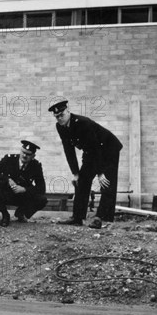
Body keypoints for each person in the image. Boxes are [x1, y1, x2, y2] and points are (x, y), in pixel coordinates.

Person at [49, 98, 123, 229]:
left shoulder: (83, 123)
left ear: (68, 111)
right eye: (57, 117)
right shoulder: (60, 127)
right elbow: (68, 150)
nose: (60, 119)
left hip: (108, 148)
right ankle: (77, 217)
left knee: (106, 182)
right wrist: (75, 173)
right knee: (82, 181)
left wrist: (100, 173)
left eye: (62, 115)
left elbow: (95, 147)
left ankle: (101, 218)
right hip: (91, 151)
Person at [0, 140, 48, 227]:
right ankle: (5, 215)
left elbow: (41, 188)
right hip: (7, 194)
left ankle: (21, 213)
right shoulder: (9, 159)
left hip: (22, 196)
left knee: (42, 199)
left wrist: (24, 189)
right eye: (23, 152)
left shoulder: (36, 166)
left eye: (28, 154)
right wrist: (7, 179)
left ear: (33, 156)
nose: (24, 155)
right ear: (20, 150)